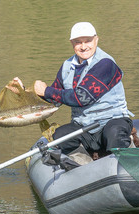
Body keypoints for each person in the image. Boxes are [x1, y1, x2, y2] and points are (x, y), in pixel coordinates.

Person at [33, 22, 133, 158]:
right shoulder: (67, 66)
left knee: (114, 132)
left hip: (112, 121)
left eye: (88, 41)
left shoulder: (106, 64)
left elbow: (82, 97)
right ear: (72, 43)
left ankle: (118, 159)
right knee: (60, 135)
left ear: (96, 39)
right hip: (84, 126)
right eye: (78, 42)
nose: (84, 46)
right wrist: (25, 93)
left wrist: (46, 91)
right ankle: (81, 164)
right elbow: (53, 100)